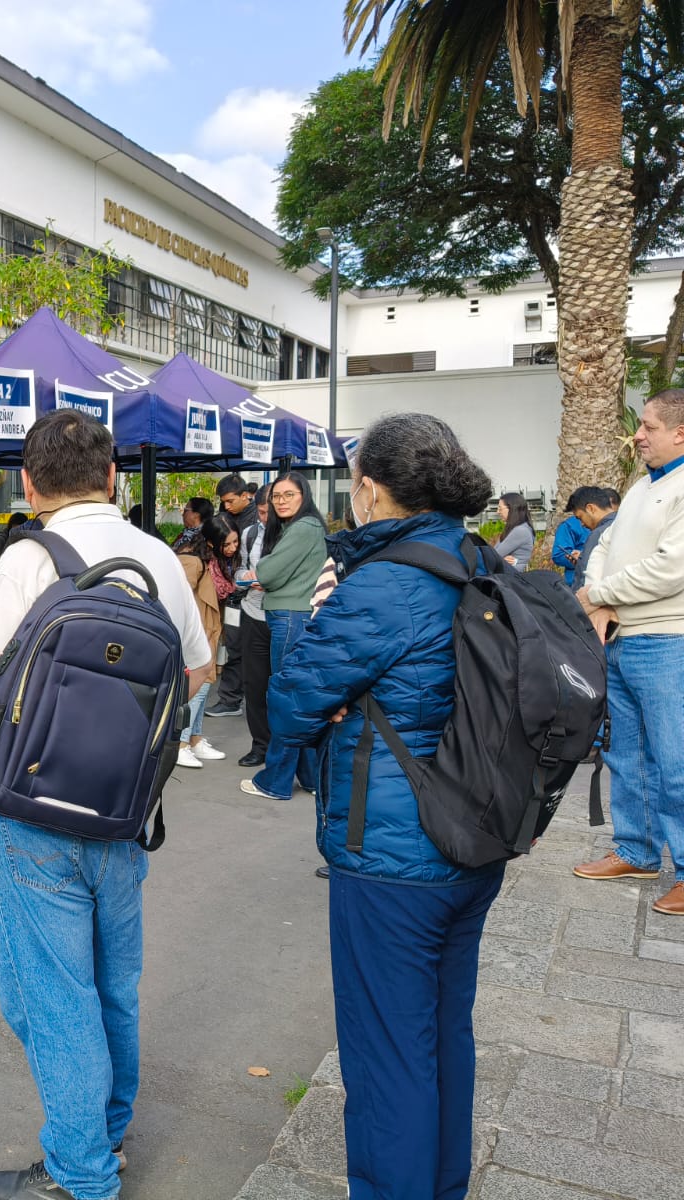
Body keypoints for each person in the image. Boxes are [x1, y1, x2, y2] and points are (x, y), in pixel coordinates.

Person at [0, 409, 212, 1200]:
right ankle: (103, 1135)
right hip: (120, 817)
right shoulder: (156, 558)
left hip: (28, 814)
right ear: (113, 475)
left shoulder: (24, 563)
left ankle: (81, 1175)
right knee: (111, 987)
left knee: (51, 1001)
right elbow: (193, 674)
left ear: (28, 482)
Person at [266, 412, 500, 1200]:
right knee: (443, 1037)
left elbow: (295, 696)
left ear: (370, 489)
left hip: (394, 855)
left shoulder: (387, 582)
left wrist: (332, 694)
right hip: (476, 837)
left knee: (387, 1052)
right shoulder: (478, 558)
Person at [573, 391, 684, 913]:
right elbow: (604, 549)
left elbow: (671, 567)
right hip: (623, 640)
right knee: (628, 756)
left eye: (648, 425)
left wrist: (600, 595)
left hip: (669, 643)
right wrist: (595, 593)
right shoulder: (643, 485)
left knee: (676, 763)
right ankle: (636, 851)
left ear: (679, 432)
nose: (636, 434)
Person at [240, 472, 327, 801]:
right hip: (292, 614)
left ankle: (275, 781)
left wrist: (258, 575)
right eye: (277, 496)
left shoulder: (305, 527)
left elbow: (268, 571)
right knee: (296, 697)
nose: (281, 501)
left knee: (286, 699)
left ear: (303, 495)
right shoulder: (302, 527)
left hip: (290, 617)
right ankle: (309, 776)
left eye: (288, 495)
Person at [175, 519, 237, 768]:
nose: (232, 547)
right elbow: (180, 597)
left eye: (235, 541)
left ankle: (195, 738)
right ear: (211, 541)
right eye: (227, 542)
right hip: (196, 632)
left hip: (207, 629)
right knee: (198, 687)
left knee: (206, 683)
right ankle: (180, 743)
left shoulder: (211, 561)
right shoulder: (193, 561)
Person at [207, 475, 258, 716]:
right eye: (223, 502)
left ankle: (232, 699)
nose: (226, 506)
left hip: (250, 595)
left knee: (239, 649)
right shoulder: (229, 517)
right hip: (234, 598)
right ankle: (231, 698)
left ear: (245, 495)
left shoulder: (256, 522)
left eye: (230, 501)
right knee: (234, 647)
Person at [235, 483, 272, 767]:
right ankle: (260, 744)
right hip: (252, 612)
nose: (264, 517)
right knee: (254, 684)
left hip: (283, 616)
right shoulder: (248, 535)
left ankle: (288, 750)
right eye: (260, 511)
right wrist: (244, 577)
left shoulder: (296, 535)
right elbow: (240, 567)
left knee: (282, 685)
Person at [569, 486, 620, 590]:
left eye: (580, 517)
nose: (582, 524)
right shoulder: (626, 523)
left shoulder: (598, 534)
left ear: (590, 508)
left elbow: (584, 580)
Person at [550, 497, 589, 586]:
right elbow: (558, 554)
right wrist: (580, 558)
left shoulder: (616, 523)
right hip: (578, 583)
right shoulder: (571, 525)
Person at [494, 492, 535, 570]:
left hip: (510, 578)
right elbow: (495, 555)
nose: (498, 512)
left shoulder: (520, 531)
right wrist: (501, 559)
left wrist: (499, 559)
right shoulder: (521, 528)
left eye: (500, 508)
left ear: (512, 508)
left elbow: (493, 556)